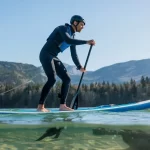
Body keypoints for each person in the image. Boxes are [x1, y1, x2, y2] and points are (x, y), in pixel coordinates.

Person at [37, 15, 95, 112]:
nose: (83, 27)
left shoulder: (72, 36)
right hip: (45, 54)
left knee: (67, 79)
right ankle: (40, 106)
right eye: (81, 24)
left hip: (54, 56)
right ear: (75, 23)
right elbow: (68, 40)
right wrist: (86, 42)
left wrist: (79, 66)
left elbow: (73, 54)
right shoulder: (62, 29)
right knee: (52, 79)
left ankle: (62, 106)